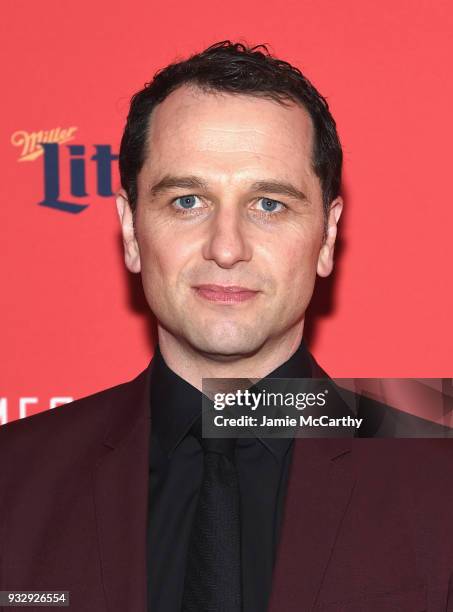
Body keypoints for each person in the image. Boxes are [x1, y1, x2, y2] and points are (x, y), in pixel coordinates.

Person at [1, 41, 452, 612]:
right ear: (132, 231)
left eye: (269, 205)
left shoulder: (441, 482)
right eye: (188, 201)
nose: (227, 247)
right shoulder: (12, 481)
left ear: (328, 236)